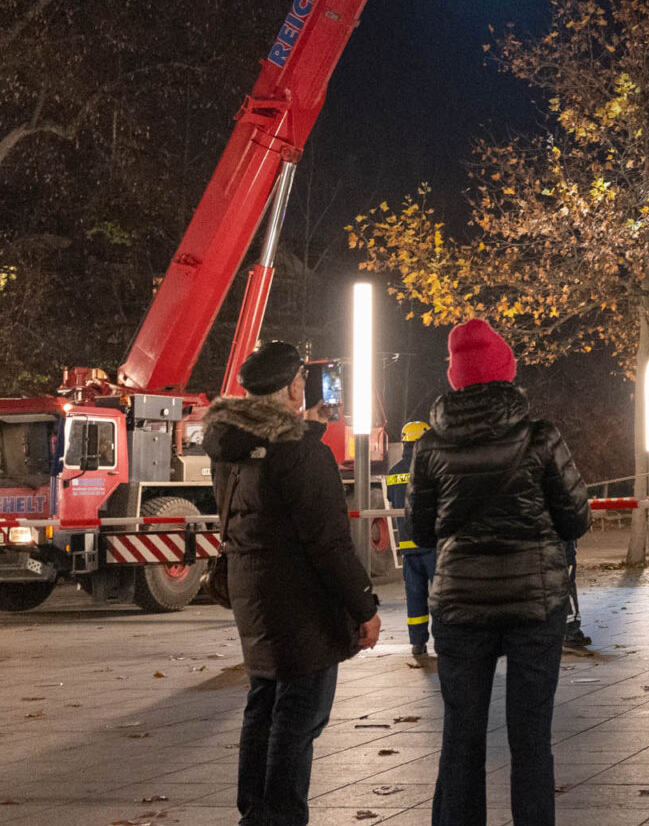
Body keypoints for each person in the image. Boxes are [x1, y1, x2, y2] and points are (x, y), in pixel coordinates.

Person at [410, 318, 589, 826]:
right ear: (507, 373)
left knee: (461, 739)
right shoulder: (541, 437)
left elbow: (421, 532)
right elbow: (577, 517)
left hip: (460, 608)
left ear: (455, 377)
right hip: (535, 606)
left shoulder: (429, 446)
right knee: (531, 741)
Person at [204, 341, 381, 826]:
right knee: (299, 716)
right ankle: (279, 817)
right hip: (301, 602)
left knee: (263, 706)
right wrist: (364, 607)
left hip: (253, 593)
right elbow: (328, 541)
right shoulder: (299, 452)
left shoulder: (231, 446)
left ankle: (255, 812)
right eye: (301, 382)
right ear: (292, 387)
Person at [386, 420, 437, 657]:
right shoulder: (430, 468)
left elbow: (392, 498)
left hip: (407, 547)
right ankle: (444, 639)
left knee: (415, 597)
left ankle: (417, 642)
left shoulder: (394, 471)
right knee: (440, 596)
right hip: (431, 545)